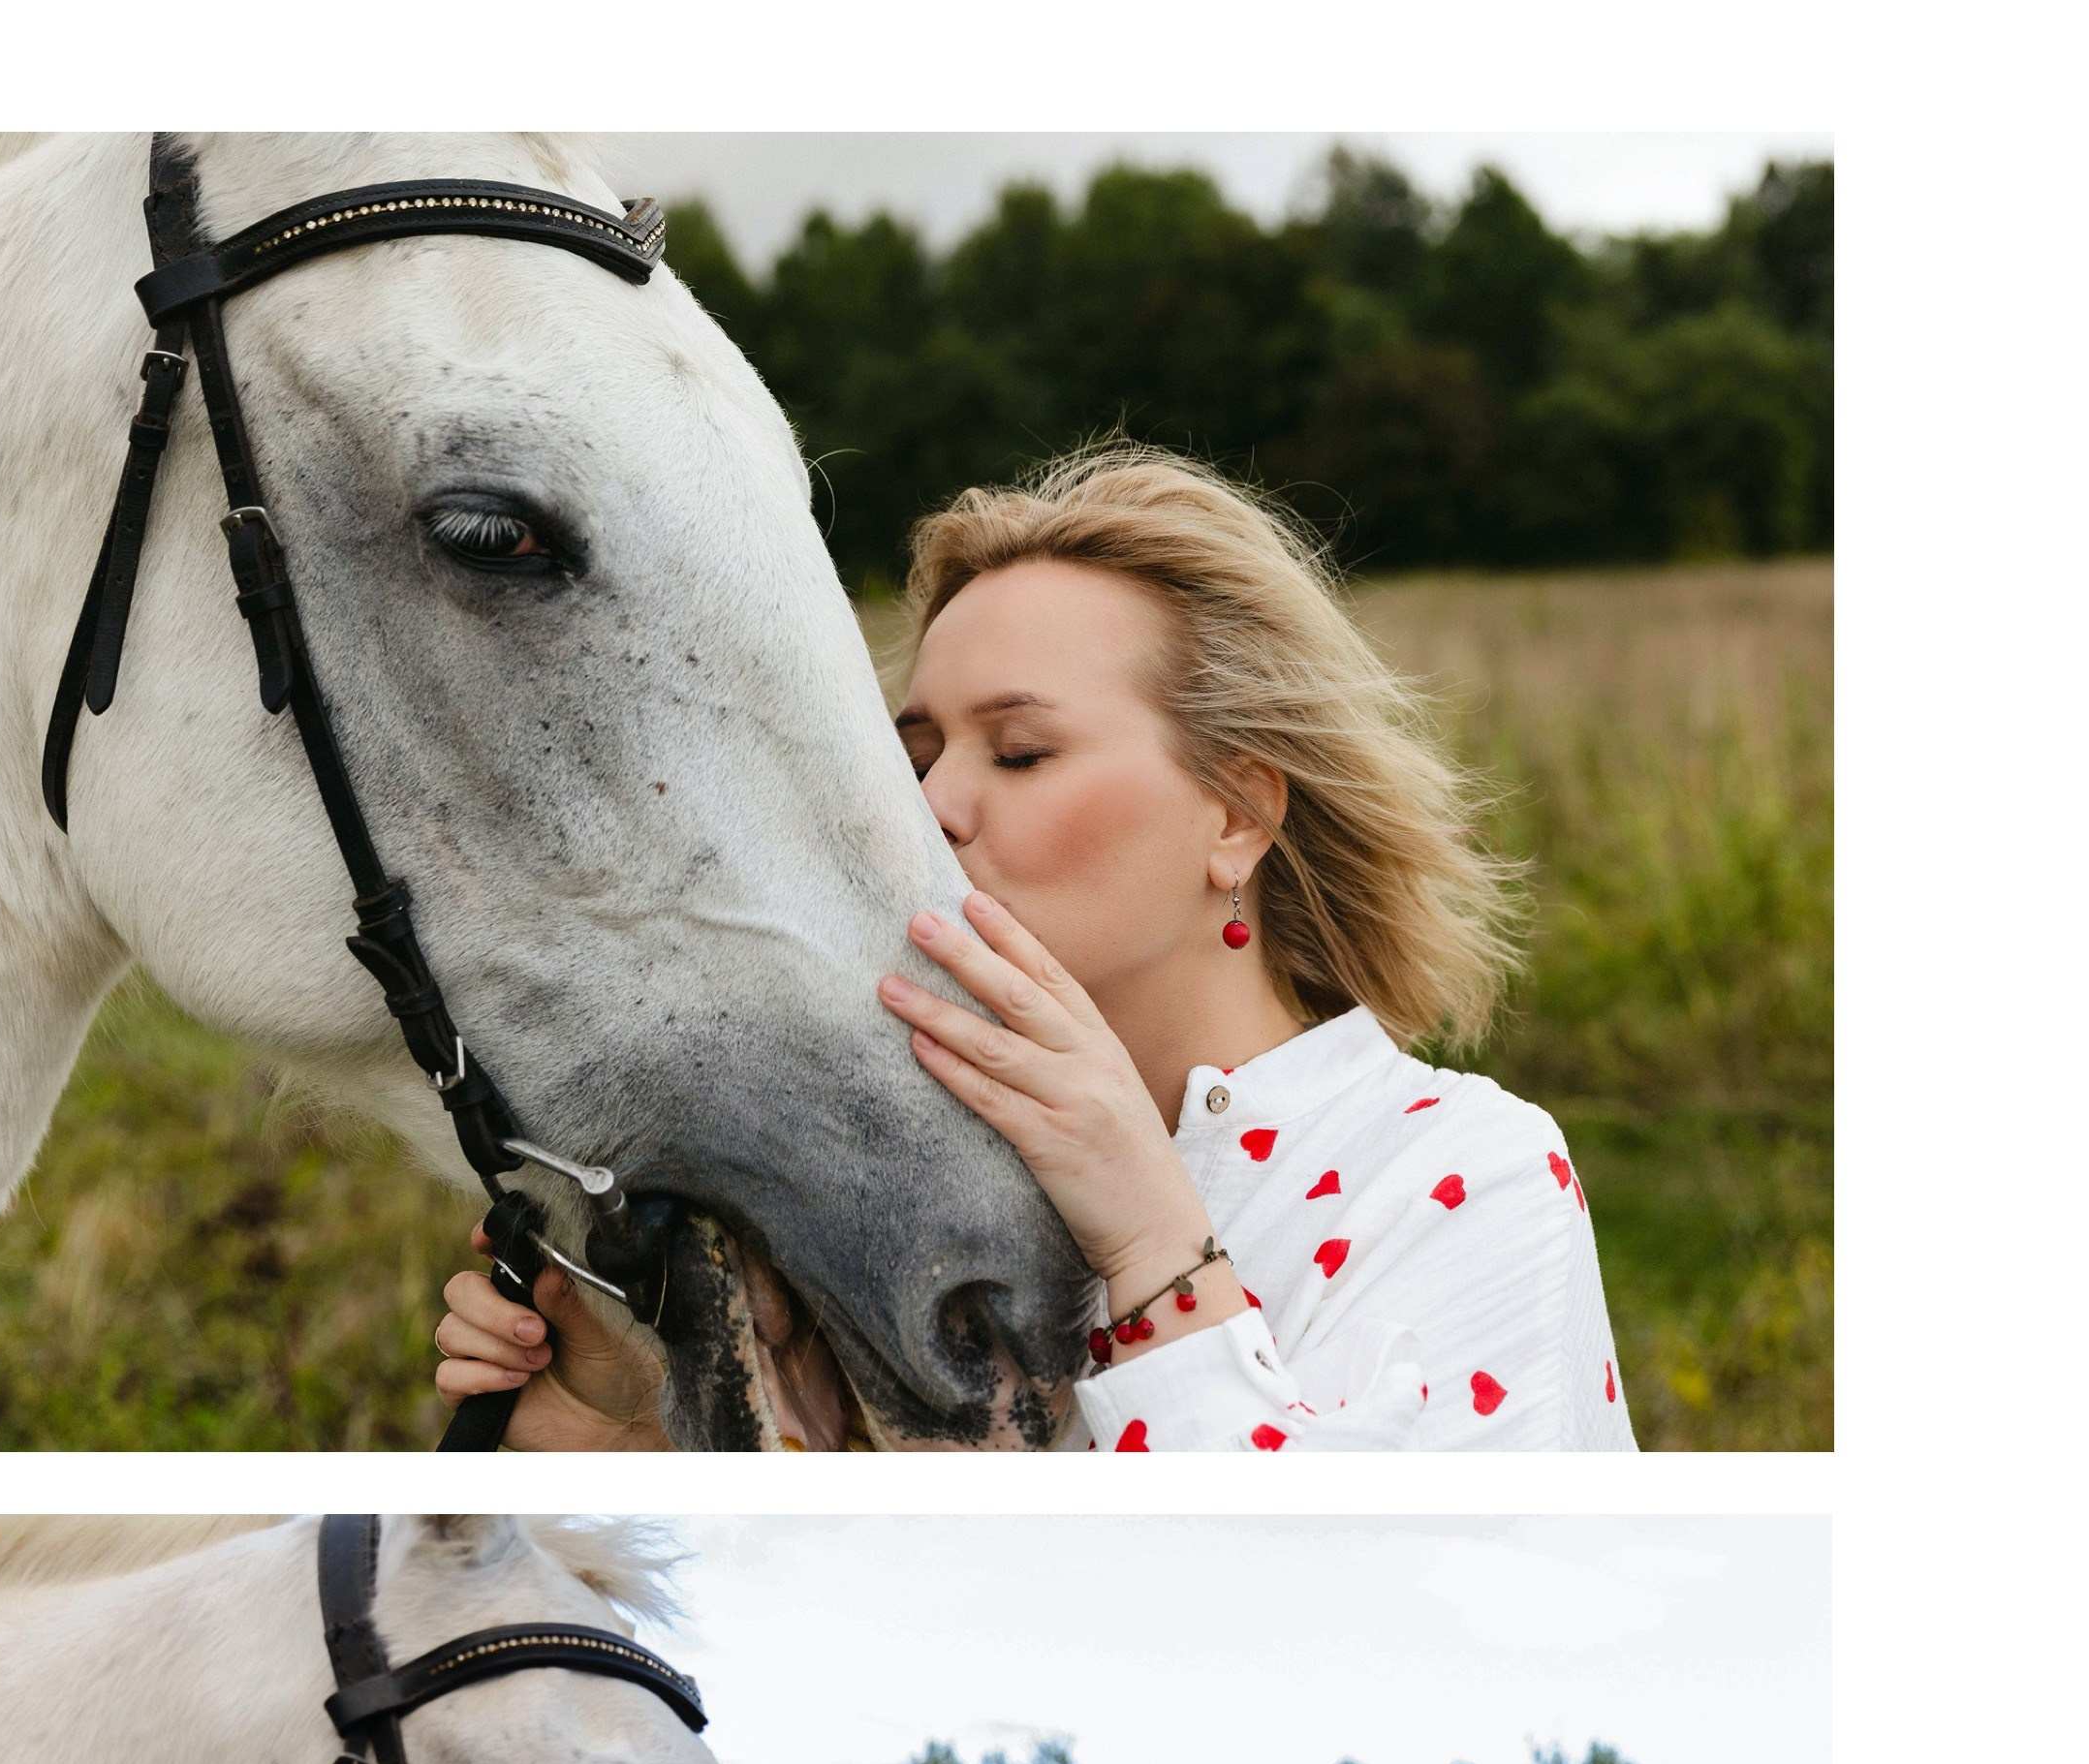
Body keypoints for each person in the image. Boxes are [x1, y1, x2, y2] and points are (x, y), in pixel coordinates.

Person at [434, 446, 1634, 1450]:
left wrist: (1151, 1246)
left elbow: (1380, 1609)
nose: (928, 811)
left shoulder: (1460, 1177)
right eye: (915, 759)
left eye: (1018, 754)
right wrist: (618, 1431)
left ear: (1236, 816)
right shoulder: (898, 1179)